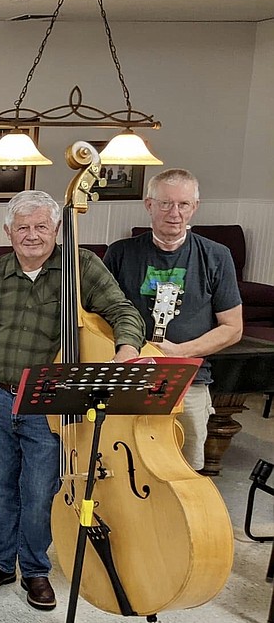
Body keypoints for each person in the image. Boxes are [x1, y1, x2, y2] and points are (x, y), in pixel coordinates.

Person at [0, 190, 145, 611]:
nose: (32, 235)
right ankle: (0, 563)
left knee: (40, 490)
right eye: (22, 227)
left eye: (41, 226)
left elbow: (124, 311)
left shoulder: (82, 268)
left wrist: (127, 347)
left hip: (52, 404)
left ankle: (36, 569)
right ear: (8, 232)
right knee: (0, 490)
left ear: (57, 229)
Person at [103, 168, 243, 471]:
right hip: (131, 379)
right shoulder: (121, 253)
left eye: (183, 204)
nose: (174, 213)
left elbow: (233, 328)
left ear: (195, 207)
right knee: (126, 463)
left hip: (189, 381)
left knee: (186, 469)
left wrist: (180, 352)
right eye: (165, 204)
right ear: (149, 205)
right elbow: (100, 316)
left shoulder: (216, 255)